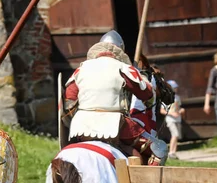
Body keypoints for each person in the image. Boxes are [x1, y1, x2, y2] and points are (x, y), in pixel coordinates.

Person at [63, 30, 167, 166]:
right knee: (159, 149)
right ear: (120, 50)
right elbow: (147, 94)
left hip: (81, 128)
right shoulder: (124, 68)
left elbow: (69, 101)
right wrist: (139, 78)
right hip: (116, 126)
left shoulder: (80, 69)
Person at [160, 79, 185, 158]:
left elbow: (178, 107)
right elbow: (162, 110)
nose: (175, 89)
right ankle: (171, 152)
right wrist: (172, 113)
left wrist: (181, 110)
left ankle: (173, 152)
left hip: (177, 118)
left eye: (176, 88)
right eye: (174, 88)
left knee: (176, 136)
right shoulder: (166, 98)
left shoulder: (177, 97)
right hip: (170, 119)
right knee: (175, 134)